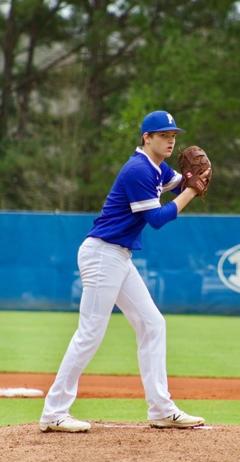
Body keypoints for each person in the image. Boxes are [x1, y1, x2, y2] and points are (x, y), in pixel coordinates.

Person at [39, 110, 211, 432]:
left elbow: (177, 184)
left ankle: (161, 408)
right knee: (90, 332)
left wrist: (189, 181)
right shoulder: (138, 171)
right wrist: (192, 190)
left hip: (118, 257)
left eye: (173, 135)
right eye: (164, 135)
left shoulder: (156, 169)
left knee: (153, 324)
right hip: (102, 255)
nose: (171, 140)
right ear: (147, 138)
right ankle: (53, 413)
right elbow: (157, 220)